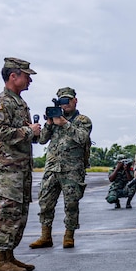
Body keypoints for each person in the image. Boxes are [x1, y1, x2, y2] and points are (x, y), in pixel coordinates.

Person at [0, 57, 41, 271]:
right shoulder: (1, 103)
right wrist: (30, 131)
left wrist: (34, 132)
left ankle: (8, 256)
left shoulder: (19, 103)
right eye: (27, 75)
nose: (30, 80)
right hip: (7, 168)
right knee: (6, 213)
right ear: (13, 76)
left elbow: (22, 134)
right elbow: (1, 133)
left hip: (20, 168)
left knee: (18, 213)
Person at [28, 87, 92, 250]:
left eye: (68, 100)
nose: (65, 104)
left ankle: (69, 236)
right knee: (45, 203)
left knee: (71, 204)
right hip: (52, 168)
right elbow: (42, 140)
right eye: (61, 101)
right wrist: (49, 124)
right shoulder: (54, 119)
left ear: (75, 100)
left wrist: (64, 123)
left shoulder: (82, 120)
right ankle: (45, 236)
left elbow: (82, 138)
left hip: (72, 170)